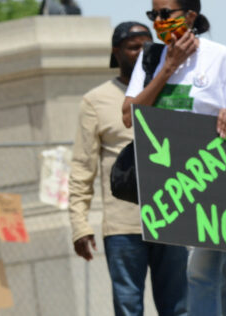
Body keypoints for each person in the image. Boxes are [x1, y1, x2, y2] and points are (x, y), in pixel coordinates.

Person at [123, 0, 226, 316]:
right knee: (223, 275)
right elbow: (129, 116)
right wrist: (167, 68)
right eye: (153, 14)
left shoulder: (218, 56)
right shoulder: (151, 58)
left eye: (165, 13)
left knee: (198, 271)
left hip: (214, 183)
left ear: (190, 16)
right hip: (172, 187)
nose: (158, 21)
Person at [70, 21, 187, 316]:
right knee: (128, 307)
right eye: (133, 47)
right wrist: (79, 224)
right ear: (116, 52)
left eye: (146, 45)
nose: (141, 52)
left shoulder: (173, 91)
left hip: (172, 218)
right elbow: (83, 166)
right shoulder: (95, 100)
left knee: (179, 307)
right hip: (123, 226)